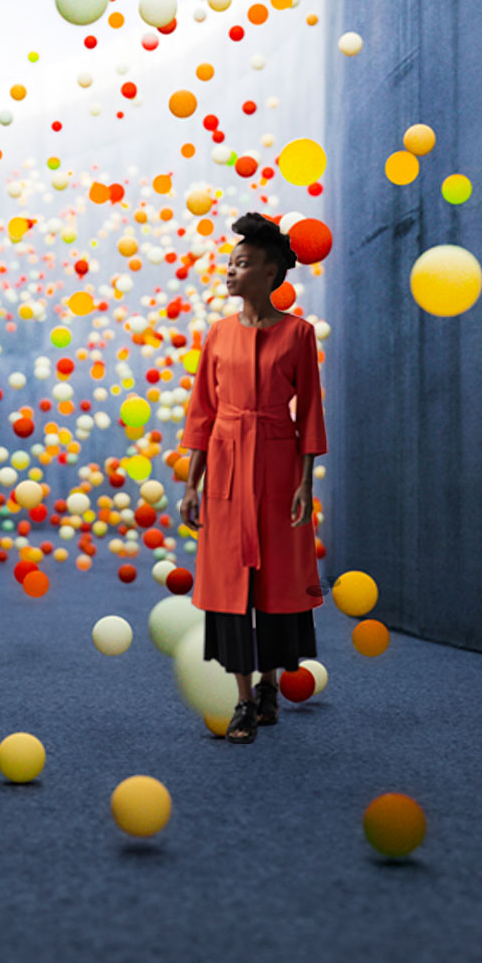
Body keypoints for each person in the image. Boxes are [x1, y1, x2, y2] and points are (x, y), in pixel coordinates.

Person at [177, 212, 327, 744]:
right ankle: (242, 700)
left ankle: (268, 685)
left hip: (280, 465)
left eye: (242, 264)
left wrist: (306, 482)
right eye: (230, 263)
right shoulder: (217, 335)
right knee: (231, 583)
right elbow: (202, 411)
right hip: (224, 464)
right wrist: (191, 485)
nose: (229, 272)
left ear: (270, 275)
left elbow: (309, 411)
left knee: (276, 583)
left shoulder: (299, 334)